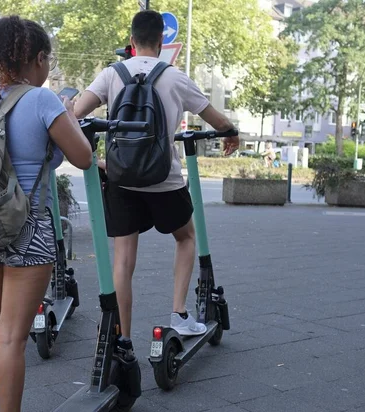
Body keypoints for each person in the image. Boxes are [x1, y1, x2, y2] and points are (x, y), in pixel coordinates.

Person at [74, 10, 239, 360]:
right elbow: (216, 118)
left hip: (122, 181)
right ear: (161, 42)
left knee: (123, 260)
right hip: (164, 180)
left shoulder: (111, 74)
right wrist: (231, 133)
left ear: (131, 42)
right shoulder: (174, 76)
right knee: (187, 236)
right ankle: (179, 313)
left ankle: (123, 341)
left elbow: (76, 112)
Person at [0, 15, 92, 412]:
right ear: (36, 59)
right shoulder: (43, 99)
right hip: (28, 227)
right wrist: (68, 112)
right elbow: (83, 158)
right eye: (47, 59)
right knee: (13, 337)